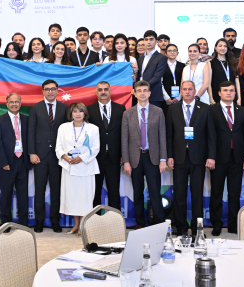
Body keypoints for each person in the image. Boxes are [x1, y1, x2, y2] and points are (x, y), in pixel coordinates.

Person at [166, 80, 214, 235]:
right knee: (179, 194)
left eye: (190, 89)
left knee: (197, 194)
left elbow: (211, 135)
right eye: (184, 89)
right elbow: (169, 135)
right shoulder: (173, 109)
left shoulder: (205, 108)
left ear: (195, 91)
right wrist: (169, 156)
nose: (187, 92)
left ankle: (197, 228)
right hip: (179, 158)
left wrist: (211, 156)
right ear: (180, 91)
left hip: (198, 157)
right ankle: (181, 227)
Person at [121, 80, 168, 228]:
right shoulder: (127, 113)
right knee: (138, 193)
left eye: (145, 90)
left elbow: (162, 137)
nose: (142, 93)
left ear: (149, 93)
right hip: (135, 158)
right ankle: (140, 223)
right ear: (134, 93)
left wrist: (163, 159)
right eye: (139, 91)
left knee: (155, 192)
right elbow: (124, 139)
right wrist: (126, 161)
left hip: (152, 158)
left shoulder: (158, 111)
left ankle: (159, 224)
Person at [206, 81, 244, 235]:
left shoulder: (242, 110)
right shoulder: (211, 110)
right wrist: (211, 156)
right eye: (225, 90)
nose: (228, 93)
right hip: (218, 158)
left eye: (231, 90)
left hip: (237, 157)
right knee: (216, 192)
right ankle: (216, 224)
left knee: (234, 193)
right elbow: (209, 134)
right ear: (219, 93)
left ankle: (233, 224)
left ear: (235, 93)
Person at [28, 79, 69, 232]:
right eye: (47, 89)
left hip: (58, 156)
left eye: (53, 89)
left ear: (57, 90)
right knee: (39, 190)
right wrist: (32, 152)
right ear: (43, 91)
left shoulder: (64, 108)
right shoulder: (35, 108)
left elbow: (67, 132)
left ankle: (55, 221)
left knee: (56, 190)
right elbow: (31, 132)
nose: (50, 92)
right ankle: (39, 221)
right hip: (39, 155)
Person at [57, 102, 100, 235]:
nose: (77, 114)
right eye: (75, 111)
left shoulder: (93, 128)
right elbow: (58, 147)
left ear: (85, 113)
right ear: (71, 114)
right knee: (72, 197)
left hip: (86, 167)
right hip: (69, 167)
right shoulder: (63, 127)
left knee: (85, 198)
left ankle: (82, 225)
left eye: (80, 111)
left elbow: (95, 148)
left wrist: (81, 158)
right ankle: (76, 225)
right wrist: (65, 158)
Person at [87, 81, 125, 211]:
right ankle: (94, 220)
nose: (103, 92)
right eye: (100, 90)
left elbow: (124, 134)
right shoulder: (89, 110)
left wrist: (123, 155)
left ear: (110, 91)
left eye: (105, 89)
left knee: (114, 192)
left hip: (114, 157)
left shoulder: (120, 109)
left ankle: (115, 220)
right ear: (96, 92)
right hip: (95, 158)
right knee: (94, 192)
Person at [0, 93, 30, 226]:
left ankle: (24, 224)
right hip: (7, 163)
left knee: (23, 195)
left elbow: (30, 140)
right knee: (6, 195)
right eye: (11, 102)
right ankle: (6, 224)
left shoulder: (26, 119)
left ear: (20, 103)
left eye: (16, 102)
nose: (14, 104)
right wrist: (4, 162)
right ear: (7, 104)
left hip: (23, 161)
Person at [137, 31, 168, 109]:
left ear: (156, 41)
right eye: (146, 39)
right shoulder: (140, 59)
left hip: (154, 94)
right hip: (140, 94)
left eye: (151, 39)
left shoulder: (162, 57)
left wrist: (143, 87)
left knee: (154, 116)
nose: (148, 42)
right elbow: (140, 76)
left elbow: (157, 76)